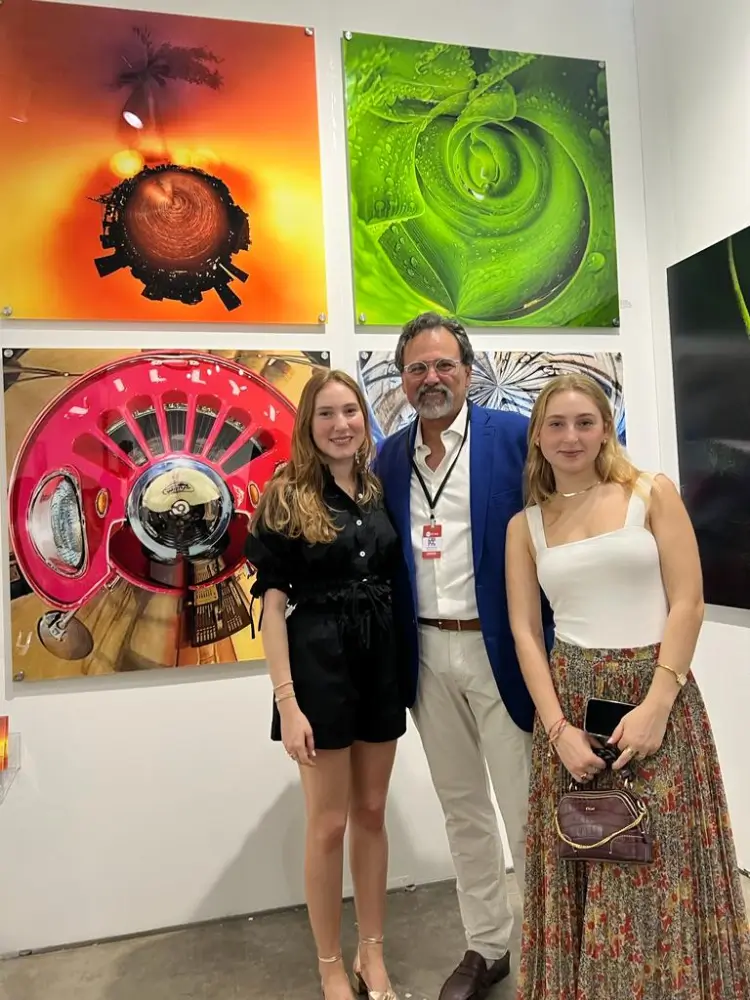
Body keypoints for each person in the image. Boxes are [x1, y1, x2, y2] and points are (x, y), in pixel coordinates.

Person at [505, 373, 750, 999]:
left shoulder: (650, 493)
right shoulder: (525, 527)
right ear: (537, 435)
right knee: (589, 853)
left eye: (584, 421)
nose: (571, 436)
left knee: (659, 866)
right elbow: (527, 634)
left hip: (657, 695)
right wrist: (558, 731)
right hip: (573, 703)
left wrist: (657, 706)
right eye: (556, 424)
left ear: (605, 425)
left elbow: (688, 601)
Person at [375, 312, 551, 1000]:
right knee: (463, 809)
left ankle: (546, 947)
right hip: (425, 653)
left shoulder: (514, 439)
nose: (431, 378)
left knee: (523, 805)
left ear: (469, 372)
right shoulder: (390, 456)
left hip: (500, 648)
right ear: (402, 378)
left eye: (444, 365)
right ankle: (487, 945)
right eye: (417, 368)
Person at [245, 369, 406, 1000]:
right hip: (317, 672)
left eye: (351, 412)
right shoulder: (286, 495)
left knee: (371, 812)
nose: (341, 424)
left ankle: (373, 953)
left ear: (364, 422)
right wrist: (288, 702)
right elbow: (272, 608)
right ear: (308, 426)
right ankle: (329, 963)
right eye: (326, 414)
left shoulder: (378, 488)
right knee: (328, 824)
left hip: (380, 665)